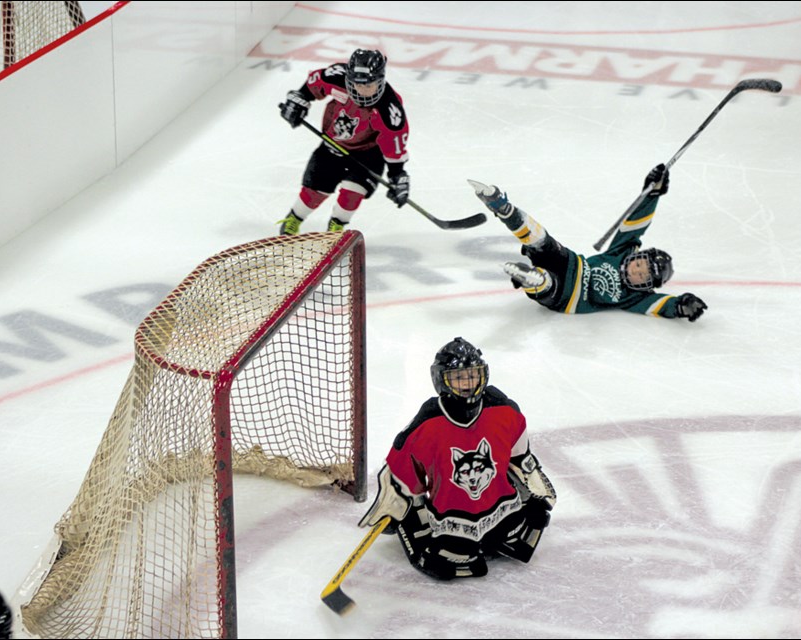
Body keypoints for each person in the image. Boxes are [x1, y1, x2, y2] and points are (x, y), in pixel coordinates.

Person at [359, 337, 556, 580]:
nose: (467, 384)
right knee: (454, 563)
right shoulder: (427, 424)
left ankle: (497, 531)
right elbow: (400, 475)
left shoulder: (504, 411)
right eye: (458, 377)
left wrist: (539, 494)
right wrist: (396, 508)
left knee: (524, 534)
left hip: (502, 508)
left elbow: (521, 459)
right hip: (452, 520)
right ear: (441, 379)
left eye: (472, 375)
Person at [470, 164, 708, 321]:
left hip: (567, 297)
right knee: (542, 240)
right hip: (571, 262)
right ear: (637, 256)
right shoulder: (622, 251)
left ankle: (533, 279)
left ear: (646, 285)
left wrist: (681, 305)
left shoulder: (636, 297)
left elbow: (660, 305)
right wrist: (652, 193)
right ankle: (503, 208)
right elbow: (636, 224)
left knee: (548, 283)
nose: (636, 270)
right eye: (640, 263)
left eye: (642, 275)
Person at [277, 48, 411, 235]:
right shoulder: (336, 76)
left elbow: (394, 145)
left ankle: (336, 227)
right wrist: (299, 99)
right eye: (358, 84)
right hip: (332, 144)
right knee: (315, 190)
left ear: (380, 80)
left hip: (368, 153)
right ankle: (293, 219)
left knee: (353, 193)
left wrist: (398, 175)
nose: (363, 90)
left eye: (369, 85)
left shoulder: (390, 109)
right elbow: (313, 84)